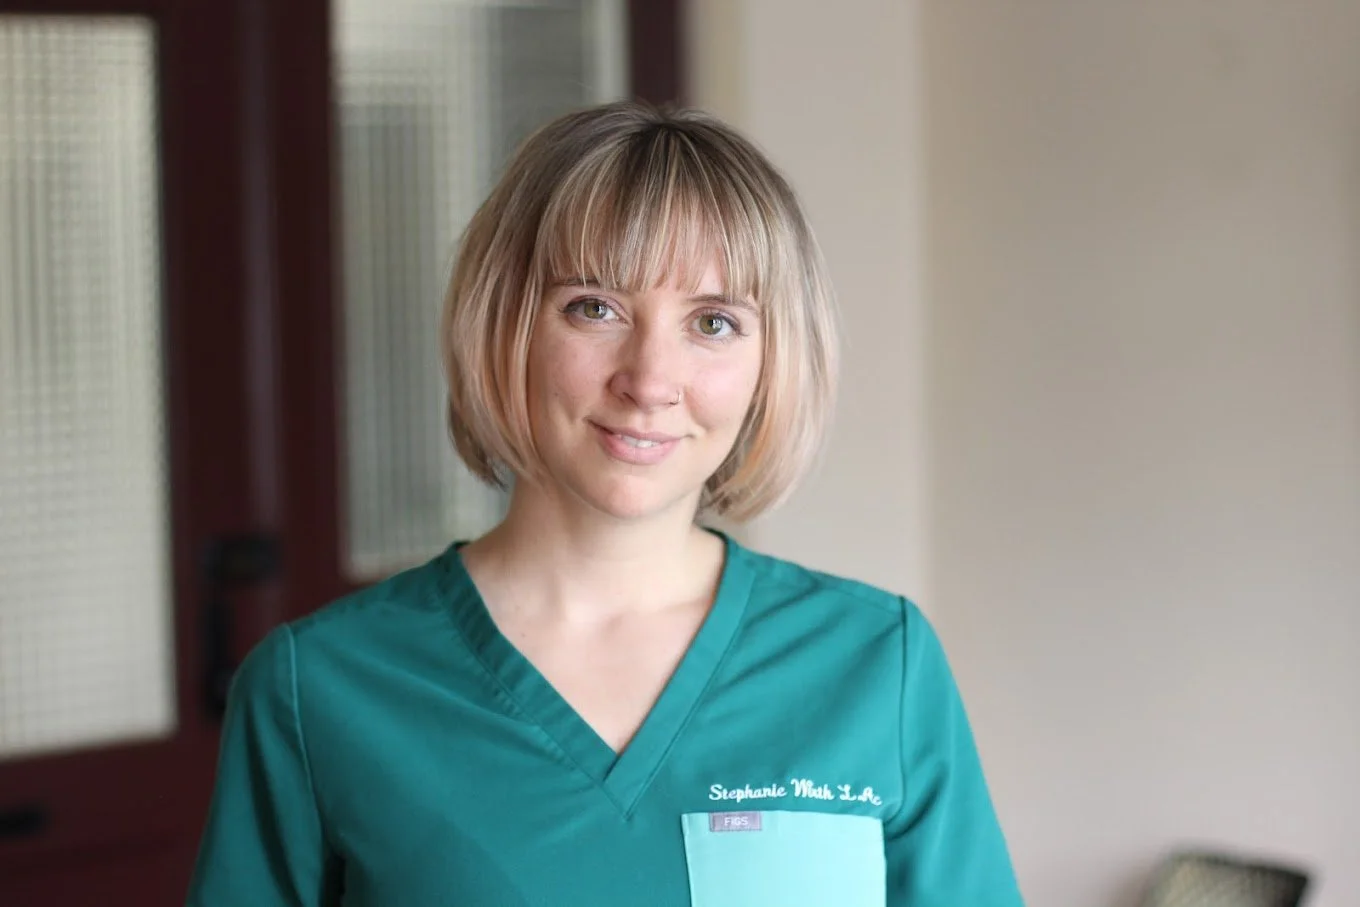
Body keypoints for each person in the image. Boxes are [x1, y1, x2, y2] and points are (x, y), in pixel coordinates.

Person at [186, 101, 1024, 906]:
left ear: (774, 358)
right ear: (503, 323)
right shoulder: (319, 689)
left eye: (715, 323)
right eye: (595, 307)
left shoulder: (878, 662)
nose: (650, 379)